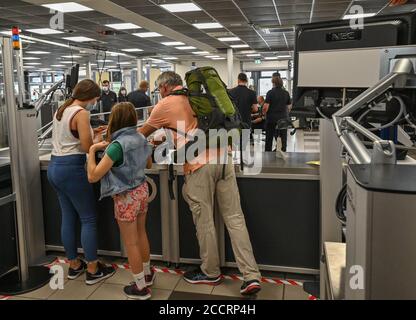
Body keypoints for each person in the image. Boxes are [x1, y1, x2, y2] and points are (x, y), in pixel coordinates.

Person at [138, 71, 262, 296]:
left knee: (204, 221)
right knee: (235, 218)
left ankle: (211, 272)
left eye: (159, 89)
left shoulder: (165, 104)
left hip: (198, 165)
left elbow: (139, 134)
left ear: (165, 87)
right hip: (224, 159)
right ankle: (251, 275)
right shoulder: (198, 98)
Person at [47, 79, 116, 285]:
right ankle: (93, 269)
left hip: (55, 167)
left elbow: (72, 136)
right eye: (95, 98)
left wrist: (92, 132)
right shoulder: (82, 113)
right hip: (72, 168)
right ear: (90, 96)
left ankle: (74, 264)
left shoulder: (62, 109)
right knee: (88, 218)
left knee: (68, 216)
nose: (95, 102)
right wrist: (101, 140)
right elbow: (87, 147)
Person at [87, 102, 154, 300]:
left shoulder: (117, 146)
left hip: (125, 196)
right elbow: (148, 163)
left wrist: (92, 150)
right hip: (142, 190)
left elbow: (93, 176)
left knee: (130, 243)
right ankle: (147, 274)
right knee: (141, 234)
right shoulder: (141, 137)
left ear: (114, 120)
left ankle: (140, 288)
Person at [263, 73, 292, 152]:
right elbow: (289, 107)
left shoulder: (270, 93)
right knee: (283, 136)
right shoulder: (286, 93)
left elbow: (265, 107)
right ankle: (283, 150)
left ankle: (268, 152)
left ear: (273, 83)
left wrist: (264, 113)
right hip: (283, 118)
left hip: (271, 119)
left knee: (269, 137)